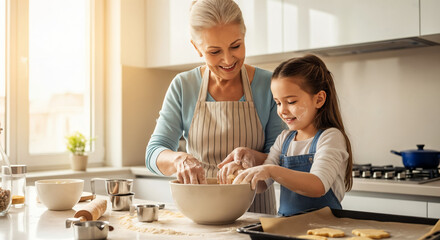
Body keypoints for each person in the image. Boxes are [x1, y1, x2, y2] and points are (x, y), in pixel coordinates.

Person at [145, 0, 284, 214]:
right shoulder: (184, 86)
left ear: (244, 36)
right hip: (201, 211)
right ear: (197, 48)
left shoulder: (268, 85)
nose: (228, 59)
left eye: (236, 46)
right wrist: (179, 159)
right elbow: (153, 153)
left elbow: (281, 155)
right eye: (214, 51)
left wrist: (251, 159)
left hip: (256, 214)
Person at [232, 54, 353, 216]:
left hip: (325, 229)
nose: (282, 110)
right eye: (278, 103)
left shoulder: (330, 137)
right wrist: (242, 172)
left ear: (319, 99)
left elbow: (318, 186)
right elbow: (262, 185)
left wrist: (272, 170)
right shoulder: (284, 139)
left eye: (291, 102)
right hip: (287, 227)